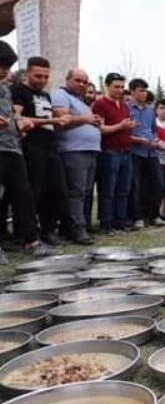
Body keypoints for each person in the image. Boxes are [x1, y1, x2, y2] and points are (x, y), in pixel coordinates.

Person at [0, 41, 55, 259]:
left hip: (13, 147)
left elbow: (12, 115)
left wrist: (20, 123)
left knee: (24, 194)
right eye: (1, 66)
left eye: (7, 67)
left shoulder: (5, 88)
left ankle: (30, 240)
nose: (4, 71)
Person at [11, 57, 69, 245]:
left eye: (46, 76)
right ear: (27, 73)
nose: (42, 80)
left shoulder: (45, 95)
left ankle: (49, 229)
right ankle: (26, 233)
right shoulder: (18, 91)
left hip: (50, 147)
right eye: (38, 76)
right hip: (31, 147)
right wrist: (50, 121)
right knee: (32, 192)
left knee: (56, 190)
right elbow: (17, 117)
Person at [51, 68, 102, 244]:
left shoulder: (81, 102)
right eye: (77, 80)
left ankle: (74, 226)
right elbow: (62, 119)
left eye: (85, 82)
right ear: (67, 80)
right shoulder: (60, 95)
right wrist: (86, 119)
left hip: (89, 150)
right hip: (73, 150)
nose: (81, 84)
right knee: (76, 191)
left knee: (85, 192)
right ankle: (76, 229)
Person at [92, 72, 136, 234]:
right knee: (108, 189)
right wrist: (120, 126)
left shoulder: (124, 106)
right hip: (110, 151)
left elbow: (124, 125)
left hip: (126, 151)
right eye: (116, 87)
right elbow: (101, 128)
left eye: (122, 87)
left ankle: (121, 220)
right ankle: (106, 223)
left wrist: (129, 127)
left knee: (123, 189)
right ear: (107, 86)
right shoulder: (100, 104)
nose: (119, 90)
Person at [127, 78, 165, 230]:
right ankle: (138, 217)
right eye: (140, 90)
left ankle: (154, 215)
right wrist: (138, 140)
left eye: (145, 90)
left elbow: (153, 130)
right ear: (132, 92)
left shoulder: (150, 110)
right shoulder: (127, 109)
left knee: (157, 184)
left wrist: (155, 140)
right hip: (135, 151)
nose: (144, 93)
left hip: (152, 151)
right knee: (137, 186)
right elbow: (124, 133)